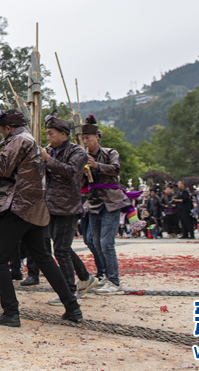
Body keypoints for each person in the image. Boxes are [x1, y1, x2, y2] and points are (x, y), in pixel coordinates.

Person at [0, 109, 81, 327]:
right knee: (45, 258)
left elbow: (3, 168)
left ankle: (11, 312)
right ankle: (73, 307)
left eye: (2, 130)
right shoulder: (30, 140)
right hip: (34, 208)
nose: (2, 135)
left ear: (8, 128)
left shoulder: (17, 140)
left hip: (15, 207)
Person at [39, 113, 96, 302]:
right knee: (62, 248)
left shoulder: (77, 152)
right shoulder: (51, 151)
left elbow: (71, 172)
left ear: (64, 134)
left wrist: (47, 160)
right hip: (51, 206)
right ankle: (85, 278)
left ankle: (70, 292)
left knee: (61, 250)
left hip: (67, 207)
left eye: (51, 134)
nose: (48, 138)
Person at [81, 115, 127, 295]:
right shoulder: (82, 156)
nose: (86, 141)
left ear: (97, 137)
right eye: (83, 139)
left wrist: (97, 165)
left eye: (88, 138)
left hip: (110, 200)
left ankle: (114, 281)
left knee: (106, 241)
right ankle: (106, 275)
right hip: (93, 201)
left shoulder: (110, 152)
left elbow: (115, 169)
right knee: (93, 240)